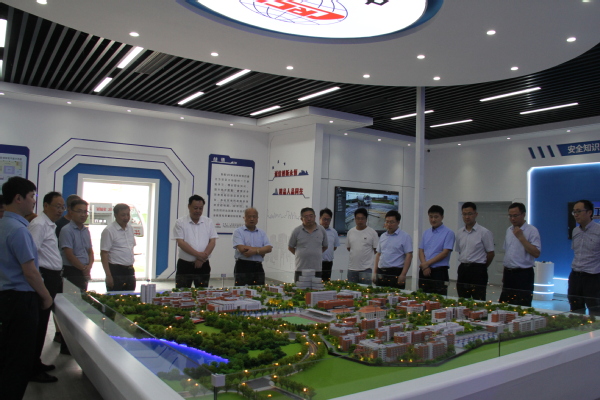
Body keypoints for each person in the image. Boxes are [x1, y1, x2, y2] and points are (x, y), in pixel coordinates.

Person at [0, 177, 54, 399]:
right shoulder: (19, 230)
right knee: (19, 358)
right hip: (21, 301)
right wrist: (46, 297)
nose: (34, 201)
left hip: (5, 298)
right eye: (32, 196)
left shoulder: (3, 225)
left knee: (7, 354)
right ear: (18, 198)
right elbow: (30, 271)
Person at [27, 191, 66, 383]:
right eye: (57, 206)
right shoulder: (39, 224)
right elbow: (31, 255)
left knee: (43, 323)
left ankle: (37, 361)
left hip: (53, 277)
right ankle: (32, 368)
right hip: (44, 278)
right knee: (39, 324)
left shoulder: (49, 225)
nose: (60, 210)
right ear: (45, 206)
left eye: (62, 207)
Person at [499, 202, 541, 307]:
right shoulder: (509, 230)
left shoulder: (532, 230)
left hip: (523, 274)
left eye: (515, 215)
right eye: (510, 216)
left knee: (522, 305)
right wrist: (504, 274)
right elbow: (507, 253)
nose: (512, 219)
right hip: (508, 273)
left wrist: (521, 237)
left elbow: (536, 253)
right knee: (505, 305)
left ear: (523, 214)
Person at [172, 195, 218, 288]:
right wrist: (199, 255)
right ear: (189, 207)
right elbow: (181, 243)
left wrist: (201, 259)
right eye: (195, 208)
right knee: (182, 292)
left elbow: (212, 242)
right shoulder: (180, 222)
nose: (198, 211)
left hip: (203, 264)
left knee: (202, 292)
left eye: (200, 208)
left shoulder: (208, 222)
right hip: (185, 265)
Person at [455, 202, 495, 300]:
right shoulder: (460, 233)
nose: (467, 217)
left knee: (479, 299)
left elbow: (491, 253)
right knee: (462, 299)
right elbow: (460, 251)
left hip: (478, 270)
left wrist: (482, 266)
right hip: (463, 269)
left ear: (476, 214)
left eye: (470, 214)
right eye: (464, 214)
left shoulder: (484, 232)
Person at [568, 200, 600, 315]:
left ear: (589, 212)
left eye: (579, 211)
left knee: (595, 310)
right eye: (574, 212)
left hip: (593, 277)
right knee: (575, 308)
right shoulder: (575, 231)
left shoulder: (598, 230)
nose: (576, 215)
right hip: (575, 276)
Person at [418, 205, 455, 295]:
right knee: (422, 296)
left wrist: (426, 264)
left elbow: (445, 253)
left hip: (439, 272)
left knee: (439, 298)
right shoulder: (426, 232)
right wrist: (425, 266)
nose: (433, 219)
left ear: (442, 217)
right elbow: (421, 250)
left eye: (436, 217)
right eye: (431, 217)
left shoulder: (448, 233)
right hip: (424, 270)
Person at [59, 199, 94, 292]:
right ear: (71, 212)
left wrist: (89, 267)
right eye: (79, 211)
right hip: (72, 271)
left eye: (85, 212)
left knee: (82, 297)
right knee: (71, 298)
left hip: (84, 270)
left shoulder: (86, 231)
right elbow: (69, 255)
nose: (83, 215)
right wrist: (84, 269)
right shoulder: (66, 230)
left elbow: (90, 251)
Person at [100, 203, 136, 291]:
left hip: (129, 269)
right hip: (116, 270)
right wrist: (108, 275)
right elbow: (104, 253)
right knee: (115, 296)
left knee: (130, 295)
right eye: (123, 215)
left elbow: (131, 247)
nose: (126, 217)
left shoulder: (130, 228)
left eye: (128, 214)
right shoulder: (109, 230)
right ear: (115, 215)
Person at [232, 208, 272, 286]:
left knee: (260, 290)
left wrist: (255, 251)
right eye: (249, 216)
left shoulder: (262, 233)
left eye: (254, 216)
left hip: (258, 266)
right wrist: (261, 250)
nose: (252, 219)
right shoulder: (238, 231)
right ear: (244, 218)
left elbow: (269, 248)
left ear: (257, 218)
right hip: (243, 266)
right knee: (242, 290)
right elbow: (241, 249)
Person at [373, 210, 412, 289]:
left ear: (398, 222)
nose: (389, 224)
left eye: (392, 222)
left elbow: (409, 255)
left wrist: (403, 274)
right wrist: (374, 272)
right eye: (387, 222)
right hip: (381, 271)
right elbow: (378, 254)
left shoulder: (405, 236)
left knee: (395, 295)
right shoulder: (383, 236)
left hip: (396, 272)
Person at [288, 207, 328, 282]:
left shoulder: (321, 230)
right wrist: (300, 254)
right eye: (306, 217)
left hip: (317, 268)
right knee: (299, 288)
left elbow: (325, 246)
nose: (309, 219)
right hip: (301, 268)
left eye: (311, 216)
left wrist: (316, 252)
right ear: (301, 219)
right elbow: (290, 247)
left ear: (315, 217)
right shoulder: (297, 231)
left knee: (316, 288)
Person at [346, 208, 379, 284]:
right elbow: (349, 248)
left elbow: (376, 250)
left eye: (362, 218)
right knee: (350, 290)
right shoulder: (350, 232)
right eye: (358, 218)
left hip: (366, 269)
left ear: (366, 219)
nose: (360, 221)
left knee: (365, 290)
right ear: (355, 219)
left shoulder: (372, 232)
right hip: (352, 269)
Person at [320, 208, 340, 282]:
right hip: (317, 262)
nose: (326, 221)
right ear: (320, 218)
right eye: (324, 219)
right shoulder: (315, 231)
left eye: (328, 219)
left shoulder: (333, 232)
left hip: (328, 263)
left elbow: (334, 247)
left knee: (326, 283)